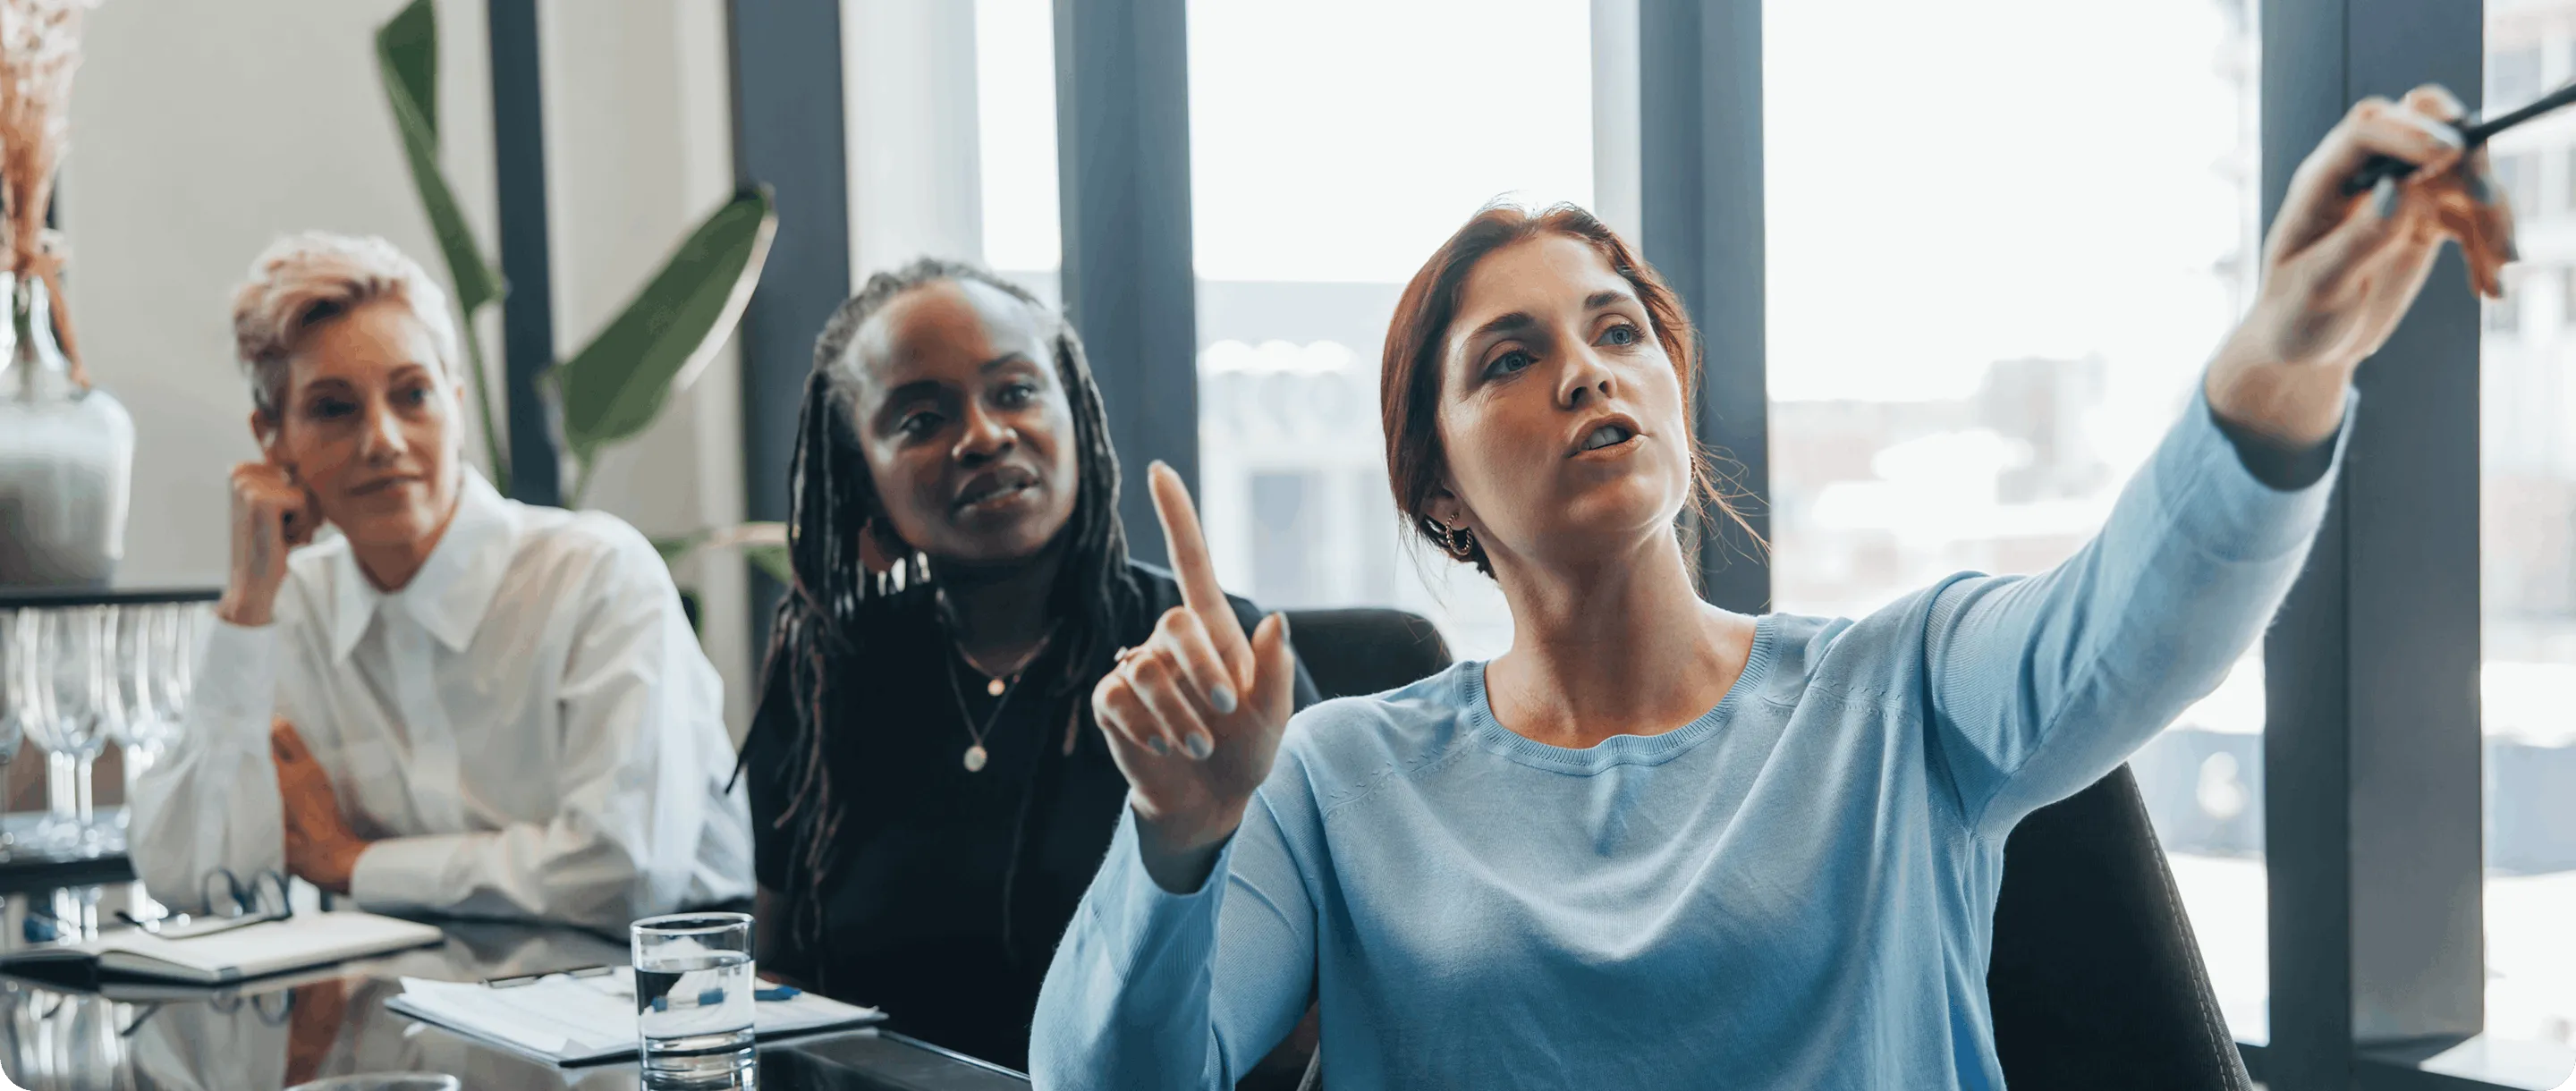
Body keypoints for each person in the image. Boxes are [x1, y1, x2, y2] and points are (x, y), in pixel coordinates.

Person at [1030, 87, 2514, 1088]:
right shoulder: (1344, 775)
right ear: (1439, 493)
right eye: (1510, 358)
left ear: (1674, 390)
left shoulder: (1902, 689)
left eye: (1618, 330)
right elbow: (1113, 1078)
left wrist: (2287, 356)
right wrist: (1179, 836)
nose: (1586, 370)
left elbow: (2131, 629)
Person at [735, 258, 1318, 1070]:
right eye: (920, 419)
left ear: (1073, 412)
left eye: (1014, 391)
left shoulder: (1204, 668)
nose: (982, 435)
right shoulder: (829, 674)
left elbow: (1311, 1012)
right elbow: (781, 973)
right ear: (862, 482)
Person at [129, 233, 751, 935]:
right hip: (419, 1009)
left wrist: (353, 864)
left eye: (412, 395)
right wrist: (246, 608)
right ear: (272, 440)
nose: (384, 440)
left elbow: (627, 874)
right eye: (334, 408)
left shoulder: (597, 576)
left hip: (670, 1011)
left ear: (455, 405)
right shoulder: (293, 606)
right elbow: (186, 877)